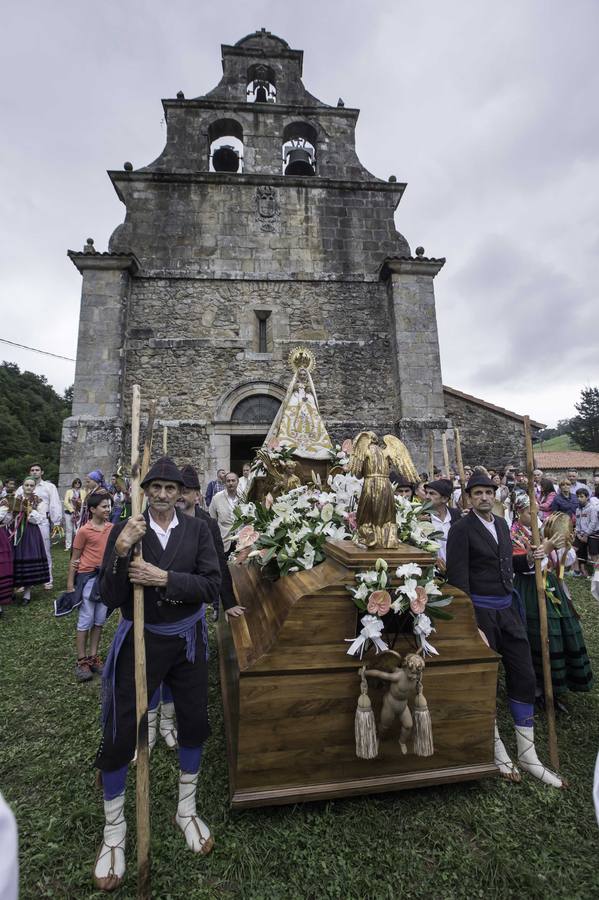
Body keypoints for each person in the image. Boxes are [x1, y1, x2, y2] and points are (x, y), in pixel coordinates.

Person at [93, 457, 221, 891]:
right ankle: (115, 832)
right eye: (157, 488)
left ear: (181, 492)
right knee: (120, 732)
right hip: (140, 639)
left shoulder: (198, 529)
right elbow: (109, 596)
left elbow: (210, 585)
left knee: (193, 722)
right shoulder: (127, 529)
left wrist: (164, 577)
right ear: (145, 490)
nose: (165, 496)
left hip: (187, 642)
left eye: (172, 488)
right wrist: (121, 550)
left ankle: (186, 810)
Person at [446, 472, 563, 788]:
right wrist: (471, 625)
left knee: (524, 673)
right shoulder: (460, 530)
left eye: (488, 492)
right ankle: (496, 749)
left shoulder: (500, 524)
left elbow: (506, 566)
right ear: (468, 498)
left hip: (508, 610)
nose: (484, 497)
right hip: (481, 614)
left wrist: (531, 559)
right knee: (487, 678)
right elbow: (458, 582)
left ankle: (527, 754)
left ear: (495, 495)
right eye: (478, 493)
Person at [510, 495, 593, 707]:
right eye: (530, 512)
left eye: (538, 511)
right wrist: (544, 551)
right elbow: (521, 564)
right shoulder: (515, 534)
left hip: (552, 585)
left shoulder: (546, 529)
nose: (536, 516)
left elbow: (564, 560)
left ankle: (557, 684)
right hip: (529, 588)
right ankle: (537, 687)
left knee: (558, 630)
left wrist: (564, 546)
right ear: (519, 512)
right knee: (535, 634)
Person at [66, 493, 113, 683]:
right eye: (104, 506)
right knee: (86, 618)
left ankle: (93, 656)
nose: (108, 509)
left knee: (100, 619)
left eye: (109, 506)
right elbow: (75, 559)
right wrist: (70, 583)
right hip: (88, 579)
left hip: (105, 579)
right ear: (93, 509)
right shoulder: (84, 531)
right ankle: (81, 660)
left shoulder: (112, 528)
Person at [1, 476, 50, 604]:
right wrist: (10, 512)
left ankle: (26, 594)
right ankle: (10, 591)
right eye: (26, 485)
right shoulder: (14, 499)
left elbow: (40, 519)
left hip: (30, 533)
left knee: (28, 558)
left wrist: (29, 511)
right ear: (22, 486)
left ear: (34, 487)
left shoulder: (38, 501)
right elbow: (7, 519)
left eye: (31, 485)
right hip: (13, 533)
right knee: (13, 560)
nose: (29, 487)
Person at [14, 464, 61, 589]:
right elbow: (15, 504)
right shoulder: (20, 488)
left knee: (44, 550)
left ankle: (48, 579)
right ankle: (25, 580)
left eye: (37, 470)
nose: (35, 472)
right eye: (32, 470)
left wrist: (56, 522)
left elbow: (54, 504)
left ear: (42, 472)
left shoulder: (49, 487)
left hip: (41, 522)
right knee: (24, 550)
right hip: (23, 523)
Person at [423, 479, 460, 565]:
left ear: (444, 498)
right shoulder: (421, 517)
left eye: (432, 493)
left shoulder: (457, 516)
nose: (427, 497)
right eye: (426, 493)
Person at [209, 472, 240, 556]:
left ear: (238, 482)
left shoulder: (243, 497)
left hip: (241, 541)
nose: (231, 483)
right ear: (225, 483)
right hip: (224, 542)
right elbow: (212, 520)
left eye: (233, 480)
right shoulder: (217, 498)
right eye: (228, 481)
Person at [573, 487, 599, 577]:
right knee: (573, 550)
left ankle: (597, 574)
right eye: (578, 496)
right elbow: (577, 523)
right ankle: (579, 570)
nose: (579, 498)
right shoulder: (578, 509)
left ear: (587, 497)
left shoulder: (592, 508)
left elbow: (593, 522)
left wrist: (586, 534)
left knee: (593, 555)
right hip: (581, 534)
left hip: (592, 534)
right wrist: (578, 533)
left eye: (581, 496)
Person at [63, 478, 86, 551]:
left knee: (77, 529)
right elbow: (66, 502)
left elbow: (84, 502)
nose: (77, 484)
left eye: (79, 482)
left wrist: (80, 503)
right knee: (69, 529)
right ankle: (68, 546)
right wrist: (72, 510)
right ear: (73, 483)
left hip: (79, 513)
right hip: (69, 512)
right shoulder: (69, 491)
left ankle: (77, 545)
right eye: (76, 483)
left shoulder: (83, 492)